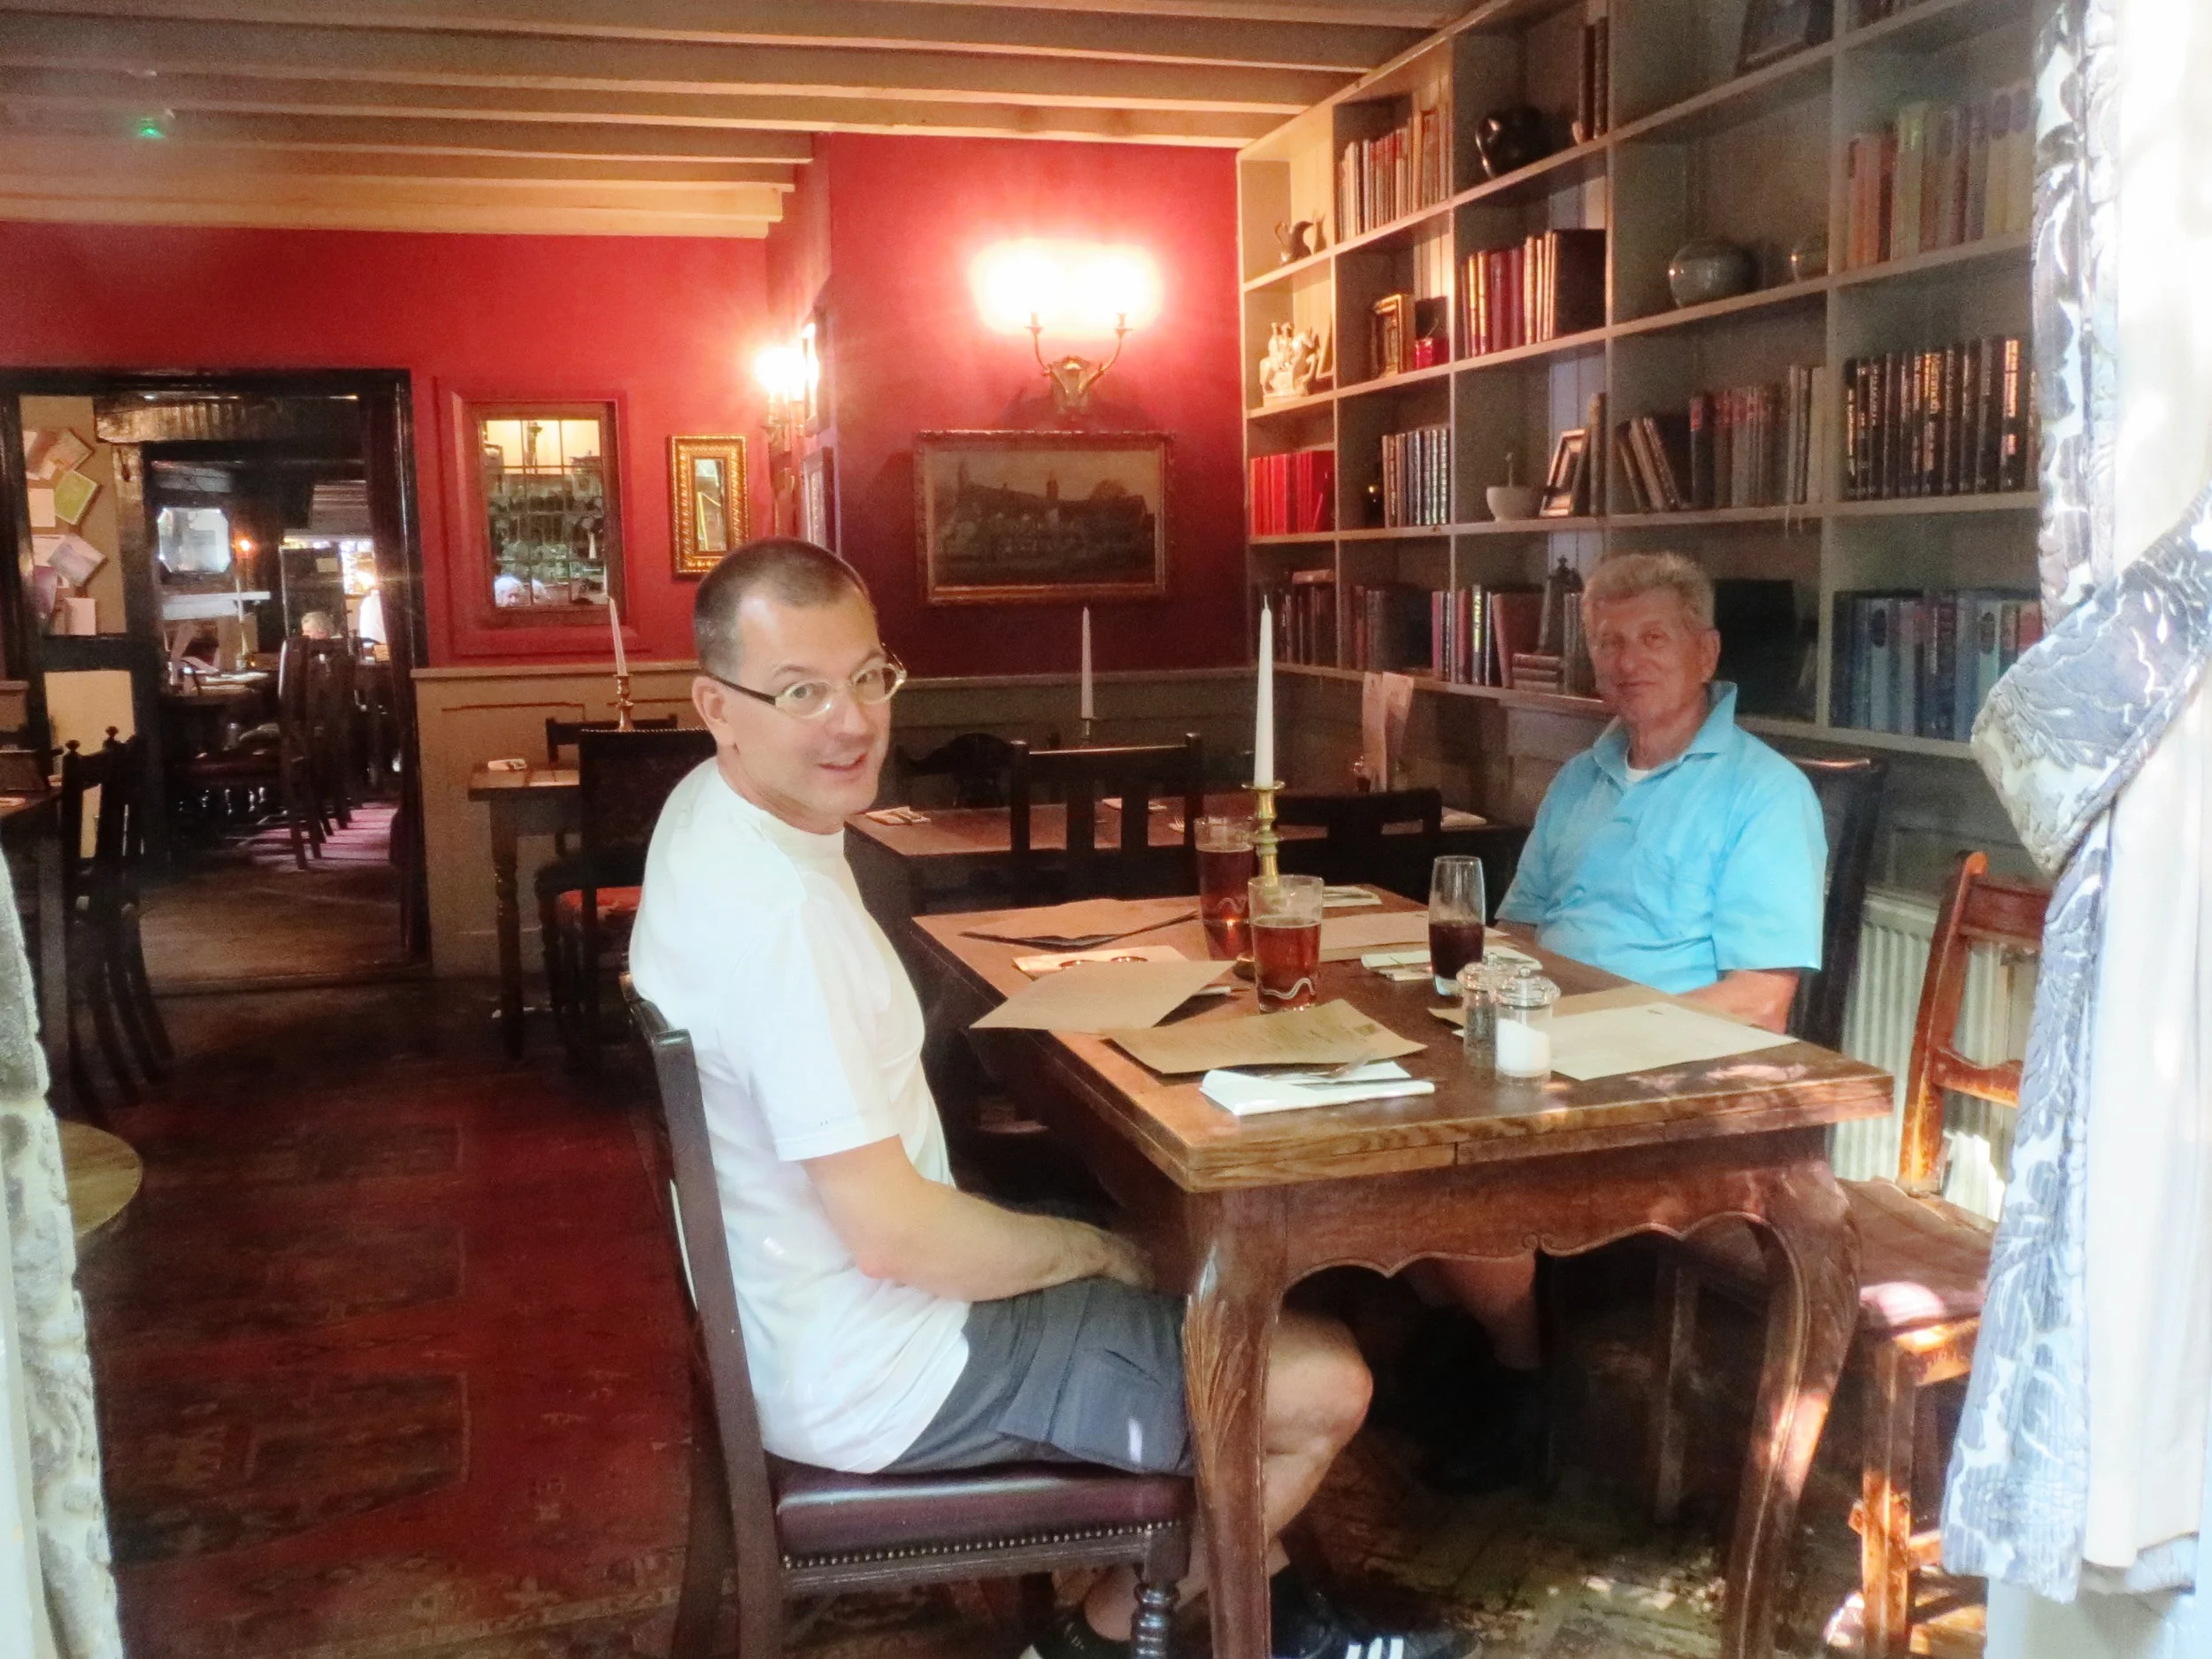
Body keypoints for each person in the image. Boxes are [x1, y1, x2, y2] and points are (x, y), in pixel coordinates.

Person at [627, 540, 1471, 1659]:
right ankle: (1098, 1637)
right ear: (716, 706)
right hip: (886, 1366)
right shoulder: (780, 923)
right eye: (799, 692)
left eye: (869, 677)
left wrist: (1088, 1249)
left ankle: (1284, 1613)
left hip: (801, 1316)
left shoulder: (709, 816)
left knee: (1157, 1264)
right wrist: (1095, 1259)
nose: (849, 721)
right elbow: (897, 1238)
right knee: (1319, 1378)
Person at [1421, 550, 1826, 1492]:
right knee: (1382, 1113)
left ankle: (1519, 1371)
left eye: (1652, 637)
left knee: (1443, 1169)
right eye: (1608, 642)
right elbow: (1515, 926)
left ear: (1705, 649)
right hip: (1539, 1041)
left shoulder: (1762, 795)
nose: (1627, 659)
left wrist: (1590, 1032)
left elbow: (1760, 1004)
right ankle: (1469, 1338)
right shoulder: (1582, 777)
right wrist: (1497, 998)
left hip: (1661, 1080)